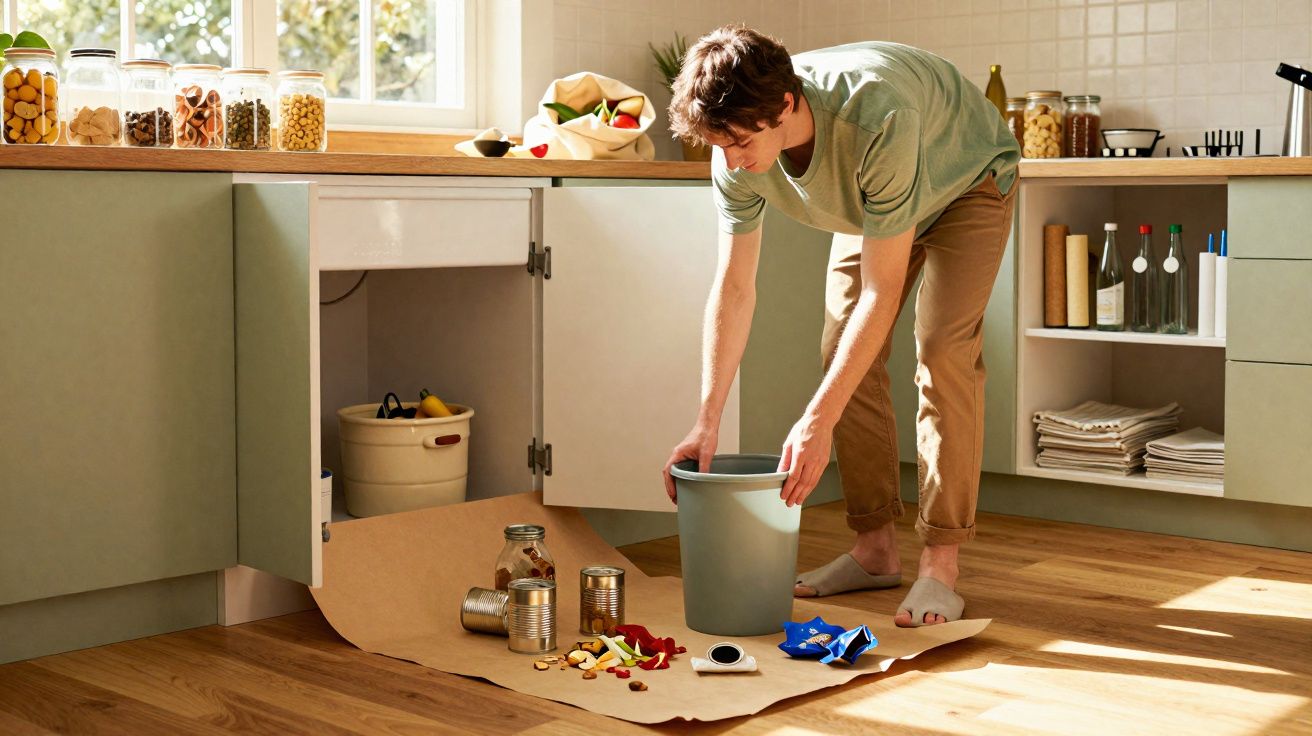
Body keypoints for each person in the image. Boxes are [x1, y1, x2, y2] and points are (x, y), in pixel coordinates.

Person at [660, 26, 1019, 627]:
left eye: (742, 142)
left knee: (940, 351)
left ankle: (941, 567)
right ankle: (874, 550)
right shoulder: (737, 153)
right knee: (841, 352)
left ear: (785, 106)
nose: (732, 160)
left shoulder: (877, 113)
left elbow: (881, 292)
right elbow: (735, 286)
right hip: (875, 199)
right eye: (719, 146)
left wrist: (817, 421)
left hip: (965, 182)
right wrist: (707, 418)